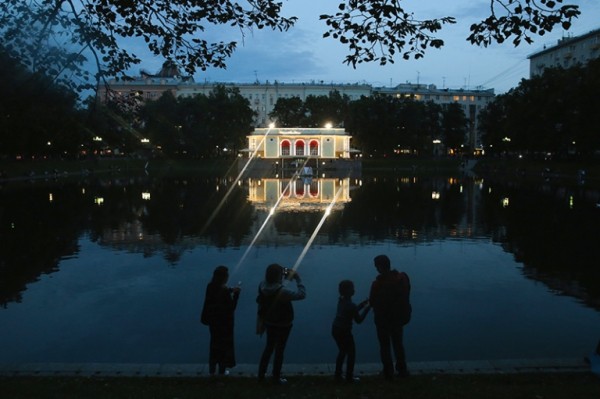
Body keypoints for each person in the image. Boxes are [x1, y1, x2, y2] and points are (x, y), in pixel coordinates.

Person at [256, 263, 306, 384]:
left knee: (268, 348)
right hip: (283, 324)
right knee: (279, 350)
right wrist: (298, 279)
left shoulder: (262, 285)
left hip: (269, 321)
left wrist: (284, 278)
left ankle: (261, 375)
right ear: (278, 276)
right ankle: (276, 376)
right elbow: (301, 295)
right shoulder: (282, 291)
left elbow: (275, 287)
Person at [369, 254, 412, 380]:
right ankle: (402, 370)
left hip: (383, 320)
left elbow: (372, 302)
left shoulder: (377, 284)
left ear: (379, 267)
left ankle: (388, 371)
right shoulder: (402, 278)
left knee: (385, 345)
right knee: (398, 344)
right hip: (398, 317)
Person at [200, 265, 241, 376]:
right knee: (224, 348)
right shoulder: (224, 291)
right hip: (224, 325)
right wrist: (236, 295)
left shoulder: (210, 286)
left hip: (213, 323)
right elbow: (231, 308)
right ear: (224, 278)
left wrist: (231, 289)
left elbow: (220, 291)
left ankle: (212, 371)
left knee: (214, 345)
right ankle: (221, 372)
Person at [331, 280, 370, 382]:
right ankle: (349, 377)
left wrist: (362, 304)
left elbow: (352, 311)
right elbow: (358, 320)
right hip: (344, 331)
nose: (354, 290)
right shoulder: (350, 305)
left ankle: (338, 375)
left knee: (342, 351)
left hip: (335, 329)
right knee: (351, 353)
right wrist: (367, 309)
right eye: (352, 288)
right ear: (348, 291)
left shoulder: (341, 300)